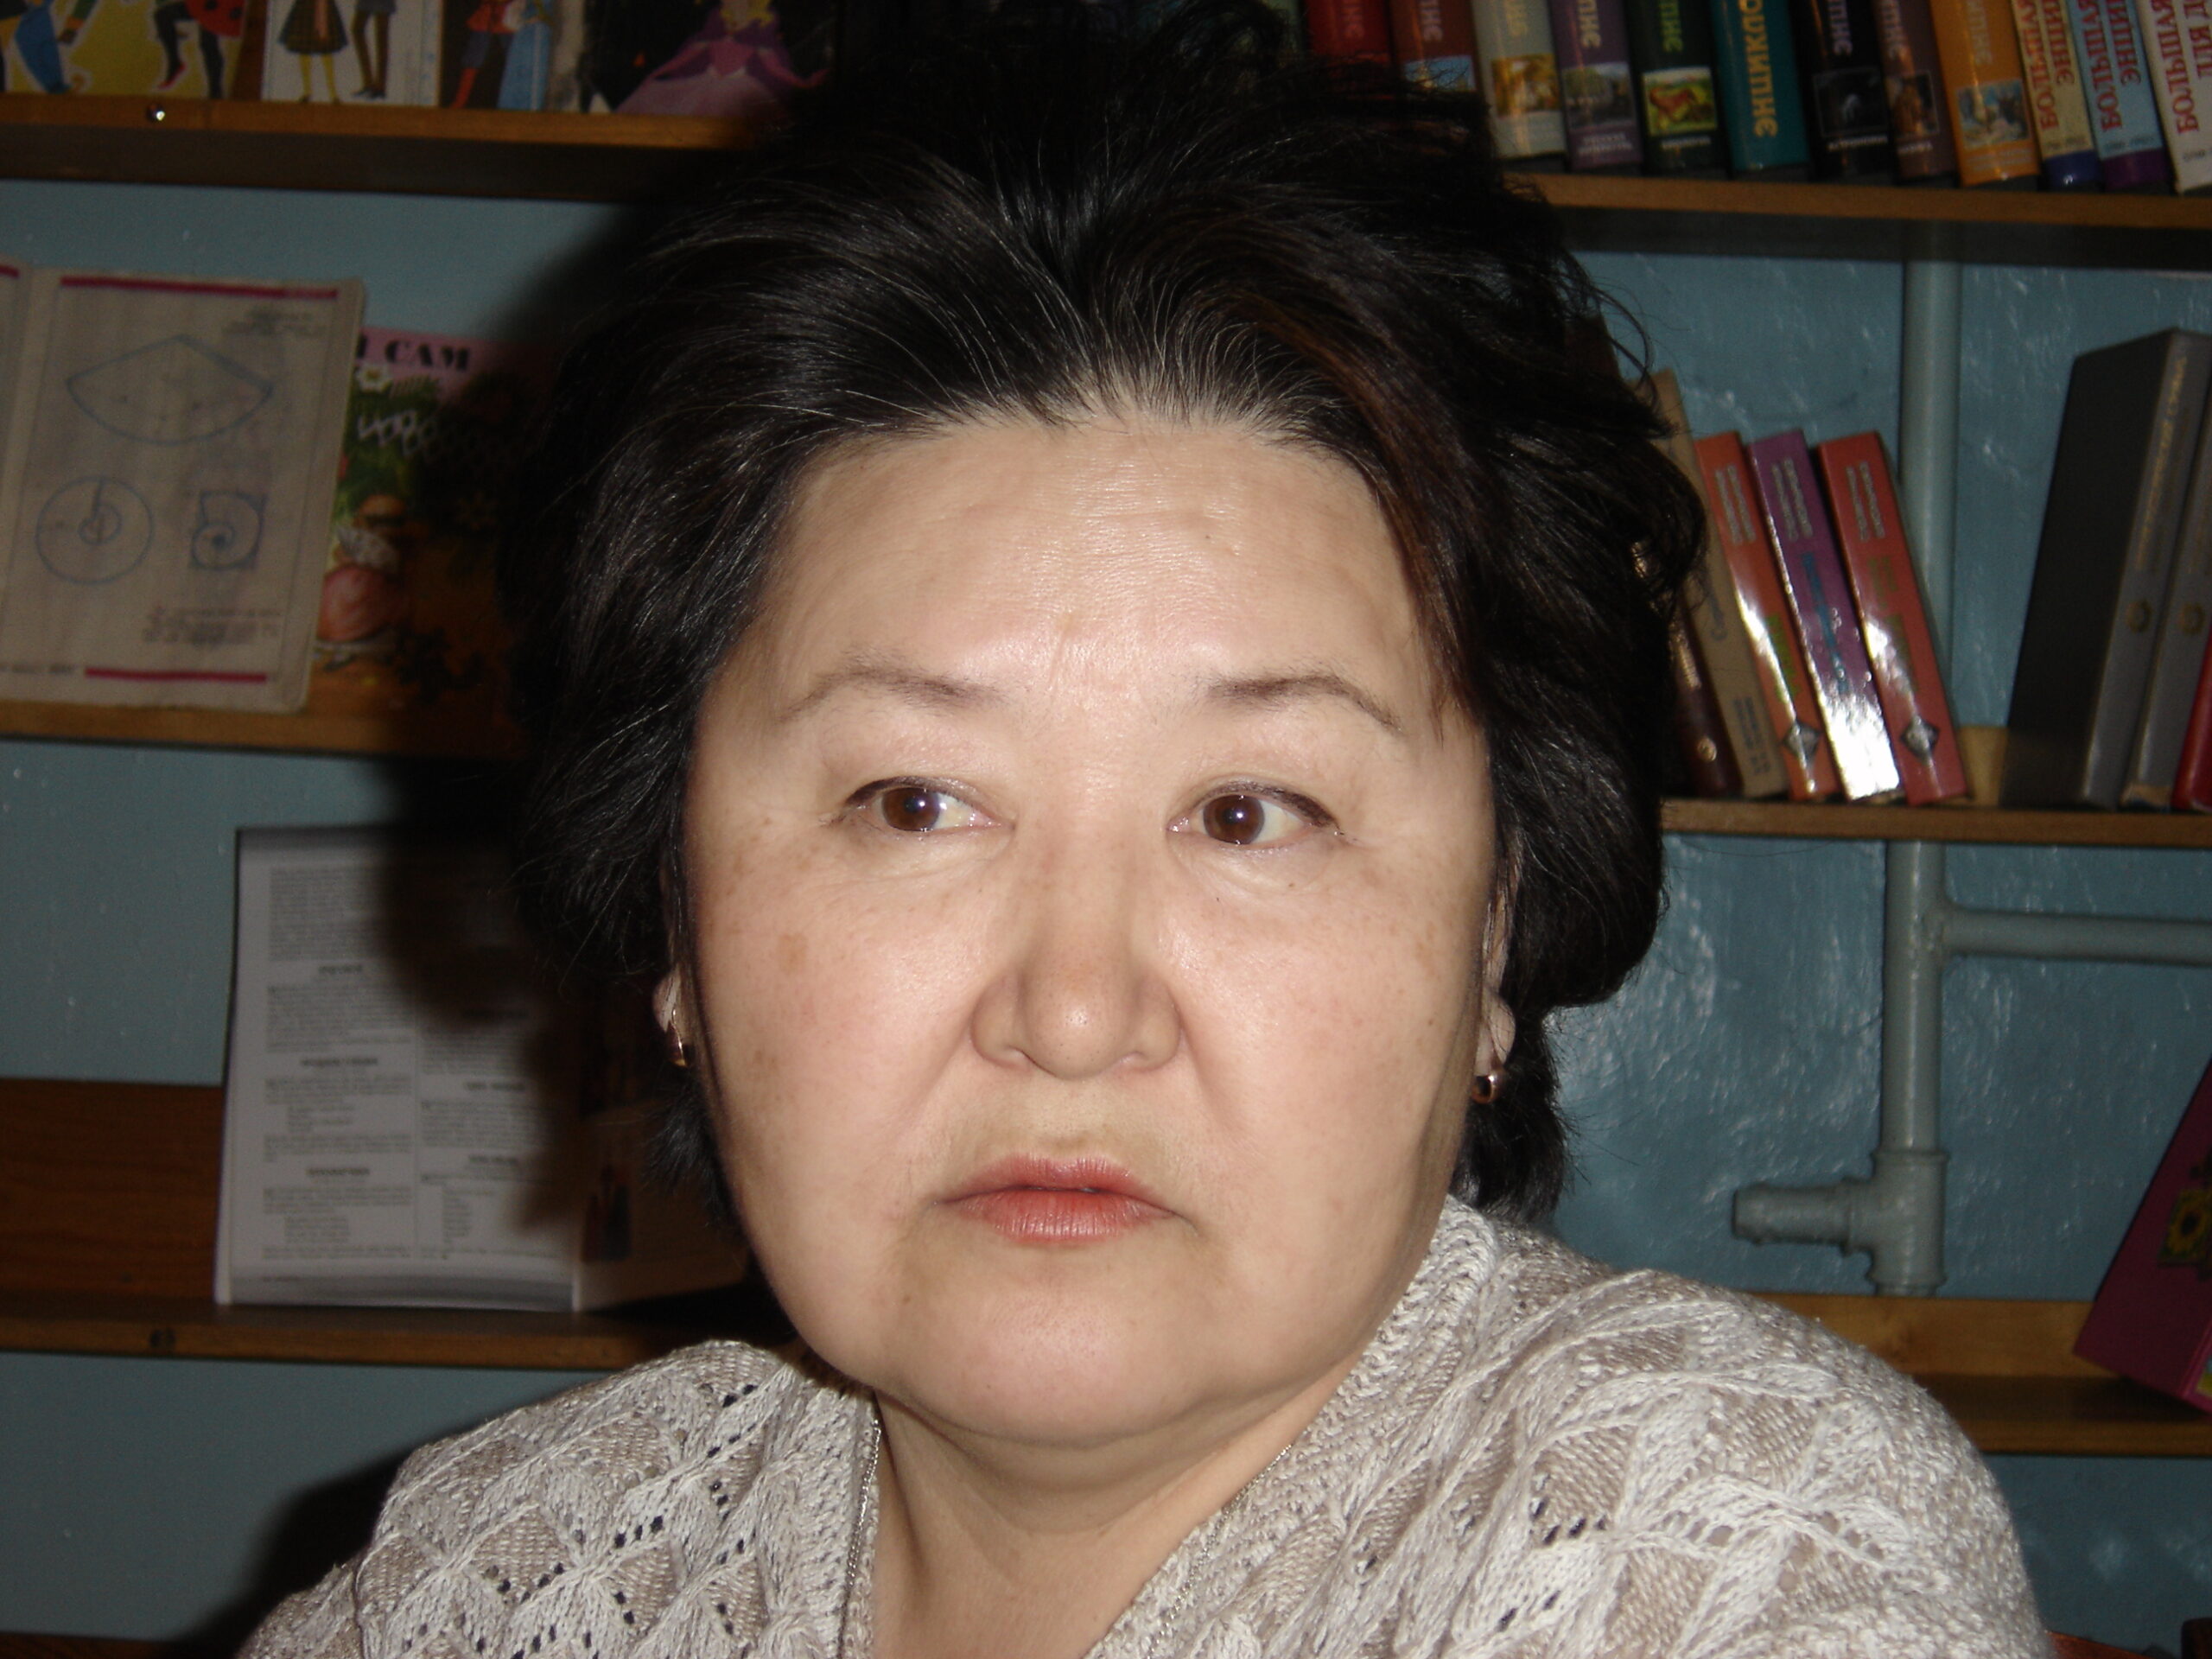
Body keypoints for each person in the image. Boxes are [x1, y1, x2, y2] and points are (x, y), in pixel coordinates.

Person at [243, 8, 2050, 1656]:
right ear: (674, 921)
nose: (1073, 1011)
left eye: (1247, 814)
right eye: (916, 802)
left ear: (1495, 928)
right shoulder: (485, 1577)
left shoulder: (1723, 1559)